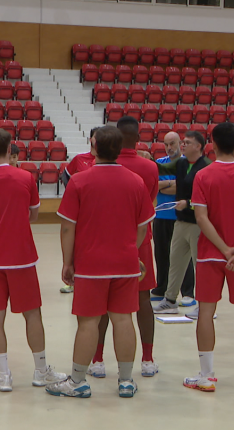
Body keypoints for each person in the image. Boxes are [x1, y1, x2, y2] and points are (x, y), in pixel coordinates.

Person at [48, 126, 154, 399]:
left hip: (91, 264)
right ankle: (127, 381)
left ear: (93, 145)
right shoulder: (136, 182)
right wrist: (131, 249)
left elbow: (68, 228)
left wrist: (67, 262)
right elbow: (142, 227)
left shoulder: (80, 182)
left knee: (88, 323)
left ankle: (78, 381)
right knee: (123, 320)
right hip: (126, 262)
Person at [0, 128, 66, 392]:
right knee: (32, 314)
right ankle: (40, 370)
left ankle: (4, 375)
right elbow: (33, 215)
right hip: (21, 257)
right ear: (10, 148)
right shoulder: (25, 178)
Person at [183, 122, 234, 392]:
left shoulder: (203, 176)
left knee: (206, 312)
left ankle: (206, 376)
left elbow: (201, 217)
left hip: (210, 254)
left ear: (212, 145)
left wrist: (223, 248)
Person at [87, 117, 159, 380]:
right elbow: (148, 204)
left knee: (103, 303)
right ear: (137, 136)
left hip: (104, 242)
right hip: (138, 242)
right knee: (143, 300)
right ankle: (148, 359)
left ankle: (97, 359)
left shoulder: (96, 168)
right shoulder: (150, 168)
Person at [152, 131, 211, 318]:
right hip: (180, 221)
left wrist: (189, 202)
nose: (182, 145)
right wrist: (146, 161)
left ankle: (204, 304)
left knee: (200, 265)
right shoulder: (181, 163)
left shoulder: (207, 167)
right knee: (175, 261)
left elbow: (210, 197)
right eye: (183, 142)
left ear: (198, 146)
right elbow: (160, 170)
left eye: (187, 142)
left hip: (198, 224)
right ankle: (169, 300)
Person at [152, 131, 196, 302]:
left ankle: (187, 293)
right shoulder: (159, 164)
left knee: (184, 257)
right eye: (166, 144)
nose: (169, 147)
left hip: (181, 217)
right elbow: (154, 185)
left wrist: (166, 184)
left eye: (172, 143)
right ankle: (161, 288)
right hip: (161, 215)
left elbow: (185, 187)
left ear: (180, 144)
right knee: (161, 254)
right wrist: (174, 183)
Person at [58, 128, 98, 294]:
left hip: (97, 211)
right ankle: (71, 280)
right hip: (80, 212)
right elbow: (65, 176)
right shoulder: (80, 159)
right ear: (91, 140)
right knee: (74, 242)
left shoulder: (108, 161)